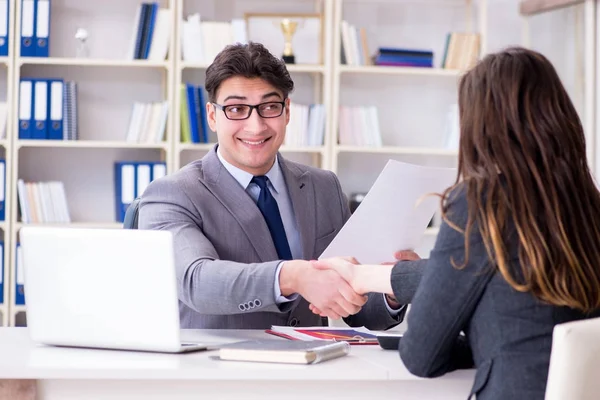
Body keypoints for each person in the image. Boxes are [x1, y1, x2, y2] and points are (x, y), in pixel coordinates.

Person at [311, 46, 600, 400]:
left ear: (481, 126)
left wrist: (475, 336)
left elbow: (421, 355)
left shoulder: (480, 202)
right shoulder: (587, 206)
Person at [138, 42, 405, 330]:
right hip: (218, 369)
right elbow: (197, 282)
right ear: (213, 116)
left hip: (314, 367)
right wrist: (293, 276)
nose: (256, 126)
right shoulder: (172, 194)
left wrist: (390, 286)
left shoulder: (323, 187)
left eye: (269, 107)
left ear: (287, 111)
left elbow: (359, 306)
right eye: (237, 108)